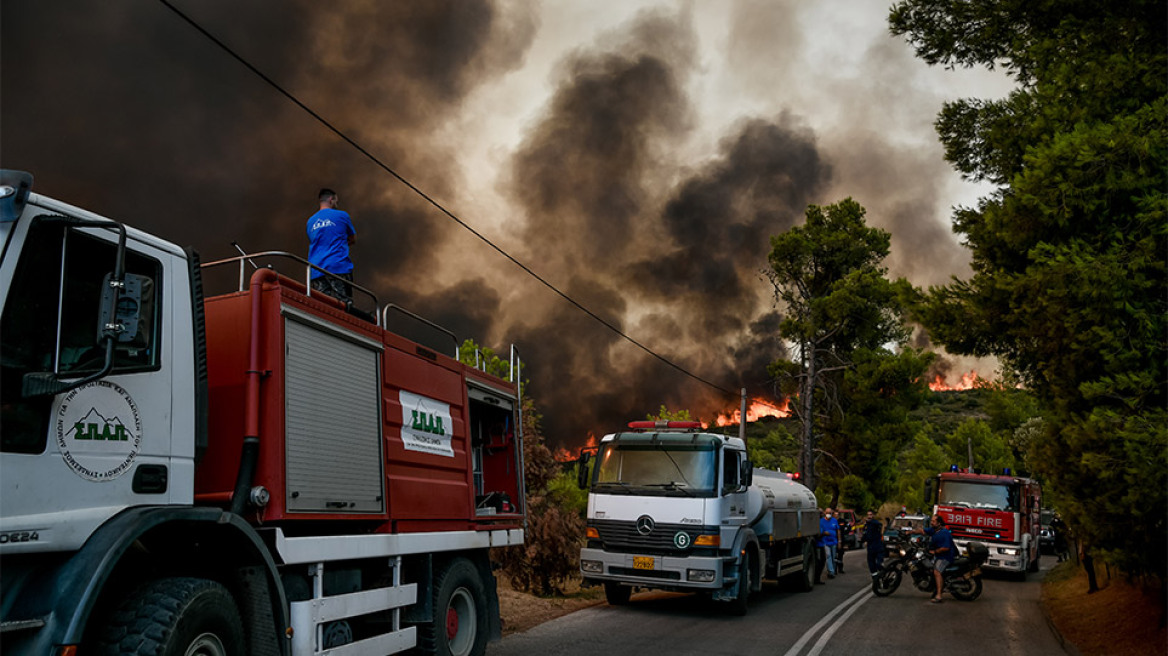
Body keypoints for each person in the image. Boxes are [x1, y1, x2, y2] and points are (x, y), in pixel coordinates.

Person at [306, 188, 356, 304]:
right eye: (336, 201)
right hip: (338, 267)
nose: (336, 204)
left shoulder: (310, 222)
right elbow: (353, 238)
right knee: (344, 306)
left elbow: (317, 241)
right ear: (331, 199)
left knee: (321, 306)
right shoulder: (342, 216)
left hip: (316, 270)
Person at [924, 514, 955, 603]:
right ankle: (934, 587)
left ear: (939, 523)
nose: (931, 523)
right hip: (938, 556)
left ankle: (939, 595)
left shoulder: (944, 533)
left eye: (933, 521)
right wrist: (908, 532)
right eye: (931, 521)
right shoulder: (934, 530)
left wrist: (935, 552)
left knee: (937, 571)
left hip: (945, 557)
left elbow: (946, 548)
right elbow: (923, 531)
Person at [862, 510, 886, 576]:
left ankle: (883, 574)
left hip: (878, 546)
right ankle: (875, 578)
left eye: (870, 515)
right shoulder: (866, 525)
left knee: (879, 564)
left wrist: (870, 522)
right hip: (870, 547)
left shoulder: (875, 523)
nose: (869, 516)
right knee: (871, 564)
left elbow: (879, 525)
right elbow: (865, 534)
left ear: (873, 515)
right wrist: (864, 540)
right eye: (868, 515)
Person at [820, 507, 841, 579]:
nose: (829, 514)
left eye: (830, 513)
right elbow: (820, 531)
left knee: (833, 557)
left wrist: (839, 541)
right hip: (825, 542)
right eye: (827, 513)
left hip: (834, 542)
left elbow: (838, 531)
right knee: (828, 556)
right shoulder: (821, 521)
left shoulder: (834, 521)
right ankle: (831, 572)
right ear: (825, 513)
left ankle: (833, 570)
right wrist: (824, 533)